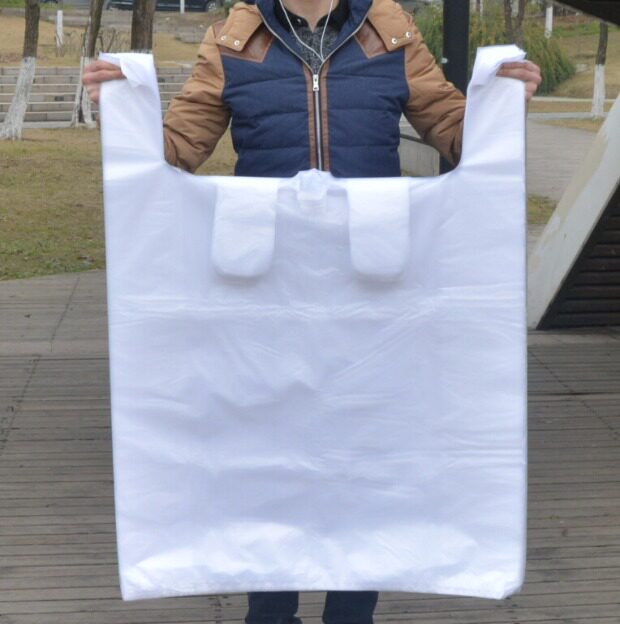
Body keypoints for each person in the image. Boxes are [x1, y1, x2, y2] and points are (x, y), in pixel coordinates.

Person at [84, 1, 541, 622]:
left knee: (368, 452)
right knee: (264, 451)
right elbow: (176, 151)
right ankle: (269, 613)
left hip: (374, 294)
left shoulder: (391, 34)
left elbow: (460, 135)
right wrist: (121, 108)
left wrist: (504, 101)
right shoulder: (233, 40)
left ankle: (351, 614)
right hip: (265, 299)